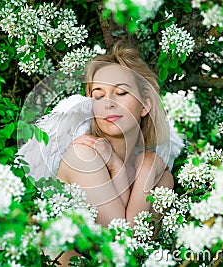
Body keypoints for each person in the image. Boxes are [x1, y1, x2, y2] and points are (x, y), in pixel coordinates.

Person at [55, 42, 175, 265]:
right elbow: (122, 246)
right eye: (98, 96)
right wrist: (120, 167)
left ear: (145, 106)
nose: (108, 103)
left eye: (121, 92)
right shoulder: (83, 156)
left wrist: (147, 168)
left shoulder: (160, 174)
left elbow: (140, 254)